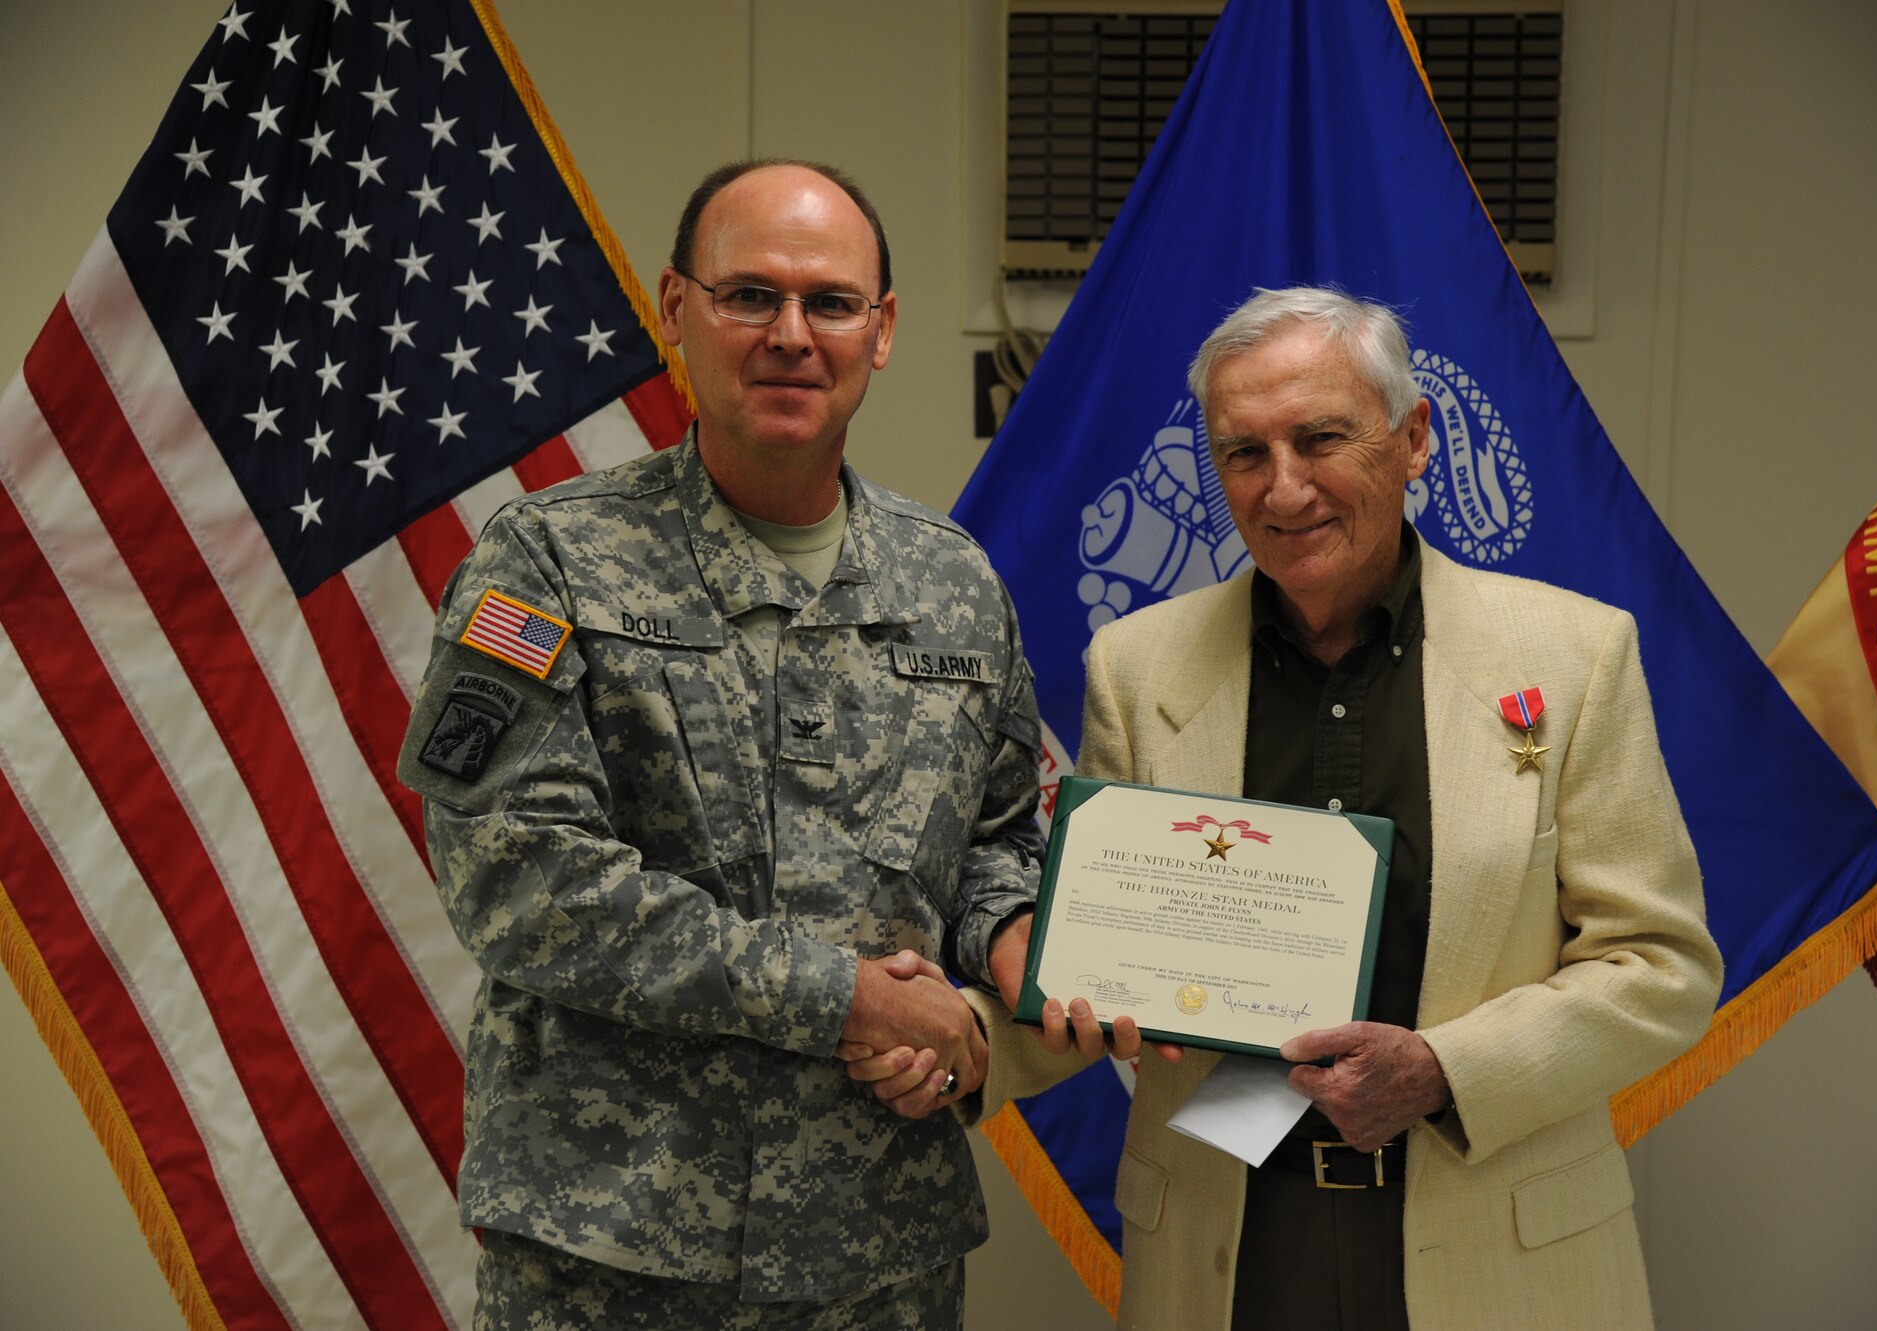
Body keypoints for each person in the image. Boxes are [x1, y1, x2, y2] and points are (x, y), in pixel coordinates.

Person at [397, 158, 1121, 1331]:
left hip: (879, 1256)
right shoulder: (546, 563)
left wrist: (1011, 938)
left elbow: (999, 837)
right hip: (610, 1262)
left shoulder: (951, 581)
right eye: (750, 297)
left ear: (880, 332)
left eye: (829, 302)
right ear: (676, 308)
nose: (791, 333)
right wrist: (843, 997)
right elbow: (520, 876)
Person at [1037, 286, 1725, 1329]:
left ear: (1412, 440)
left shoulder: (1572, 657)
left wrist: (1440, 1069)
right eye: (1241, 452)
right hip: (1229, 1248)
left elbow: (1661, 968)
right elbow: (1092, 952)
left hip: (1496, 1249)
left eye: (1320, 438)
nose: (1283, 488)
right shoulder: (1133, 671)